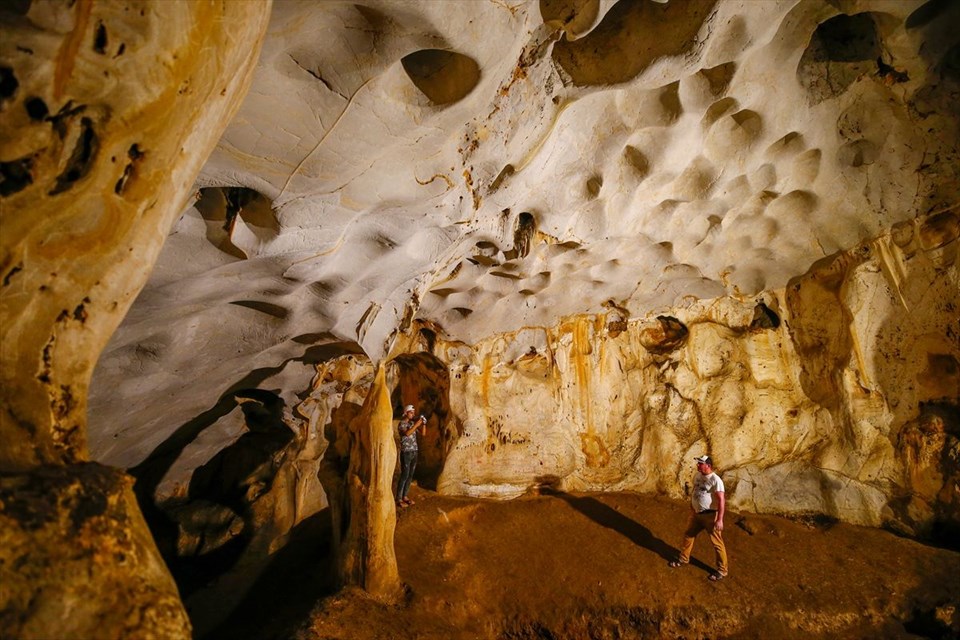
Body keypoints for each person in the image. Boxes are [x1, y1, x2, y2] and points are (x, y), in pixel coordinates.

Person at [669, 455, 729, 581]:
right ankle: (684, 559)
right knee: (689, 535)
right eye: (698, 463)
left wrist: (720, 520)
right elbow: (695, 491)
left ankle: (722, 570)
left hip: (710, 516)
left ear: (708, 465)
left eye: (701, 463)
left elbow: (721, 500)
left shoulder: (716, 480)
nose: (698, 465)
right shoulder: (697, 476)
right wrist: (693, 506)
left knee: (717, 543)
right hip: (697, 514)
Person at [396, 404, 426, 508]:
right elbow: (407, 433)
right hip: (406, 452)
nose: (413, 414)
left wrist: (423, 424)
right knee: (404, 475)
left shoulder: (412, 423)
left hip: (414, 451)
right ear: (406, 413)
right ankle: (399, 498)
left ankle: (405, 496)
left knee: (410, 475)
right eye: (411, 412)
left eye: (413, 413)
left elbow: (423, 434)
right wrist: (417, 425)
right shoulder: (402, 424)